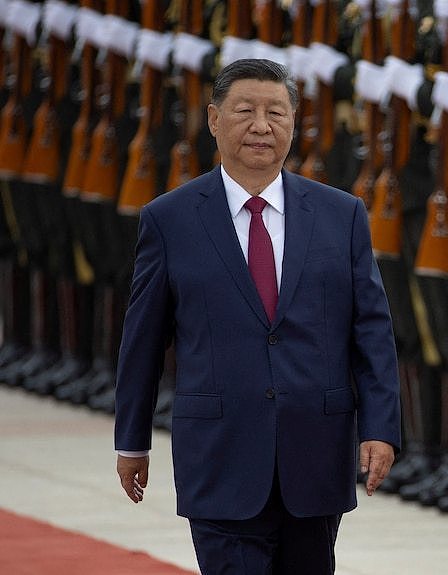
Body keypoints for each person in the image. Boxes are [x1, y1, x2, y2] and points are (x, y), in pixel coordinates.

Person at [113, 58, 401, 574]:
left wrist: (381, 428)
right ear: (214, 119)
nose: (261, 126)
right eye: (245, 111)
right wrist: (132, 440)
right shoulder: (170, 219)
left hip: (315, 456)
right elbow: (144, 340)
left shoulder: (342, 215)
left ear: (294, 124)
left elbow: (371, 332)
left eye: (277, 113)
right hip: (220, 455)